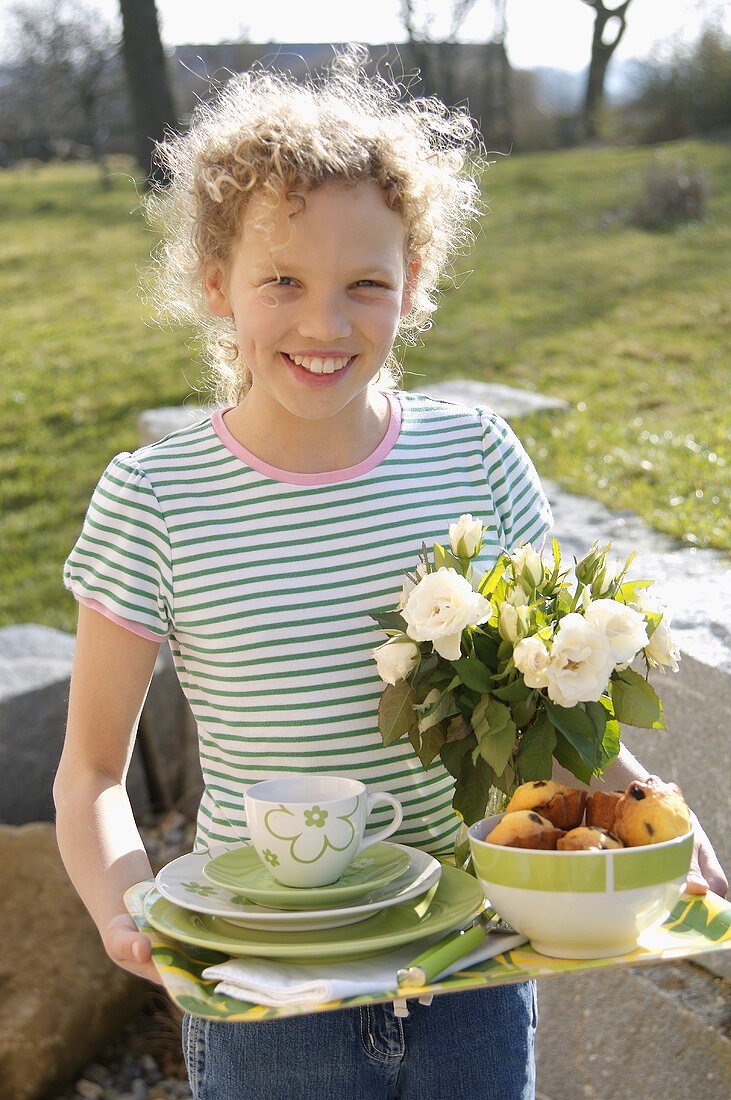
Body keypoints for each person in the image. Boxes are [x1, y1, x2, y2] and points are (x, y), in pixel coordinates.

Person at [54, 49, 726, 1100]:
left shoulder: (476, 457)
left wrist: (647, 824)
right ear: (214, 281)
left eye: (365, 283)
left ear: (412, 285)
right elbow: (92, 770)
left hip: (471, 968)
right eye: (282, 279)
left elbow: (554, 710)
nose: (325, 323)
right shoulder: (155, 497)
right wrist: (123, 905)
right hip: (265, 985)